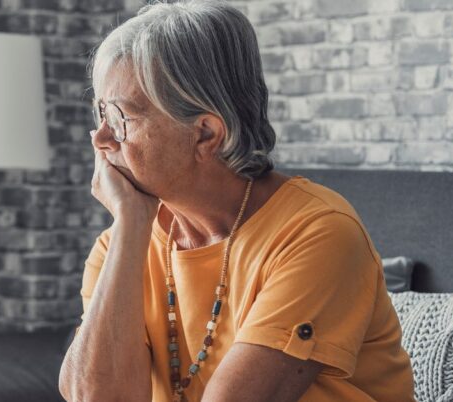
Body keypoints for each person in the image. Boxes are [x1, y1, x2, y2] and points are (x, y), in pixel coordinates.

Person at [58, 1, 415, 401]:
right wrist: (129, 226)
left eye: (122, 118)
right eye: (101, 112)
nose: (101, 139)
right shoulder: (120, 246)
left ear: (206, 134)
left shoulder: (318, 233)